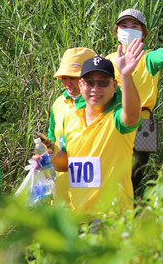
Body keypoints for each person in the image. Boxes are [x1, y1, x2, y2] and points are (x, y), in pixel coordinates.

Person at [49, 43, 145, 216]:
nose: (95, 89)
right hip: (77, 216)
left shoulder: (117, 118)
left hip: (111, 217)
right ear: (81, 84)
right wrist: (48, 159)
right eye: (89, 83)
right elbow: (66, 163)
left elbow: (132, 115)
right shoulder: (71, 117)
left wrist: (126, 76)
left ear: (114, 86)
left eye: (103, 83)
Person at [106, 9, 163, 193]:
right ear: (116, 32)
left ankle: (131, 205)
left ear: (143, 33)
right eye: (124, 26)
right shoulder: (109, 60)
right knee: (113, 171)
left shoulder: (148, 57)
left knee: (135, 175)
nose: (129, 29)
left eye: (134, 26)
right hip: (115, 121)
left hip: (144, 124)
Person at [41, 47, 96, 205]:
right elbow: (53, 135)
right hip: (62, 185)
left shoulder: (98, 105)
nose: (67, 83)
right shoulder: (60, 103)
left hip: (90, 187)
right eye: (64, 77)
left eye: (73, 77)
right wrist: (48, 146)